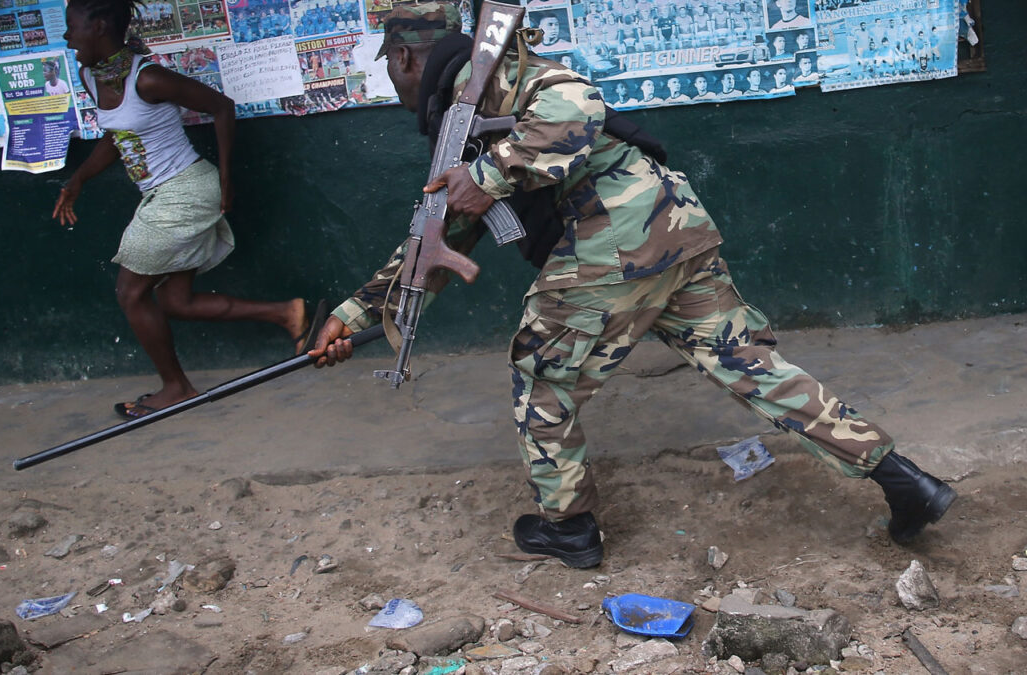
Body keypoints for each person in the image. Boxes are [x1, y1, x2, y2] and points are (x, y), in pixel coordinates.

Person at [311, 2, 957, 568]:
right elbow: (439, 239)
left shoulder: (495, 78)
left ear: (403, 57)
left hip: (614, 238)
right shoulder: (457, 121)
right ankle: (903, 480)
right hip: (668, 228)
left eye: (388, 67)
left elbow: (577, 106)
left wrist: (492, 173)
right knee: (752, 367)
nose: (391, 82)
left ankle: (567, 527)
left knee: (542, 375)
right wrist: (354, 315)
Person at [53, 0, 322, 419]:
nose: (67, 38)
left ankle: (176, 387)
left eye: (72, 28)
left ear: (100, 26)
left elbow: (221, 107)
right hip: (160, 197)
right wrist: (79, 179)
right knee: (175, 301)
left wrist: (228, 179)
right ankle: (287, 313)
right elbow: (116, 135)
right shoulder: (92, 77)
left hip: (186, 191)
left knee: (131, 292)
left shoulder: (149, 78)